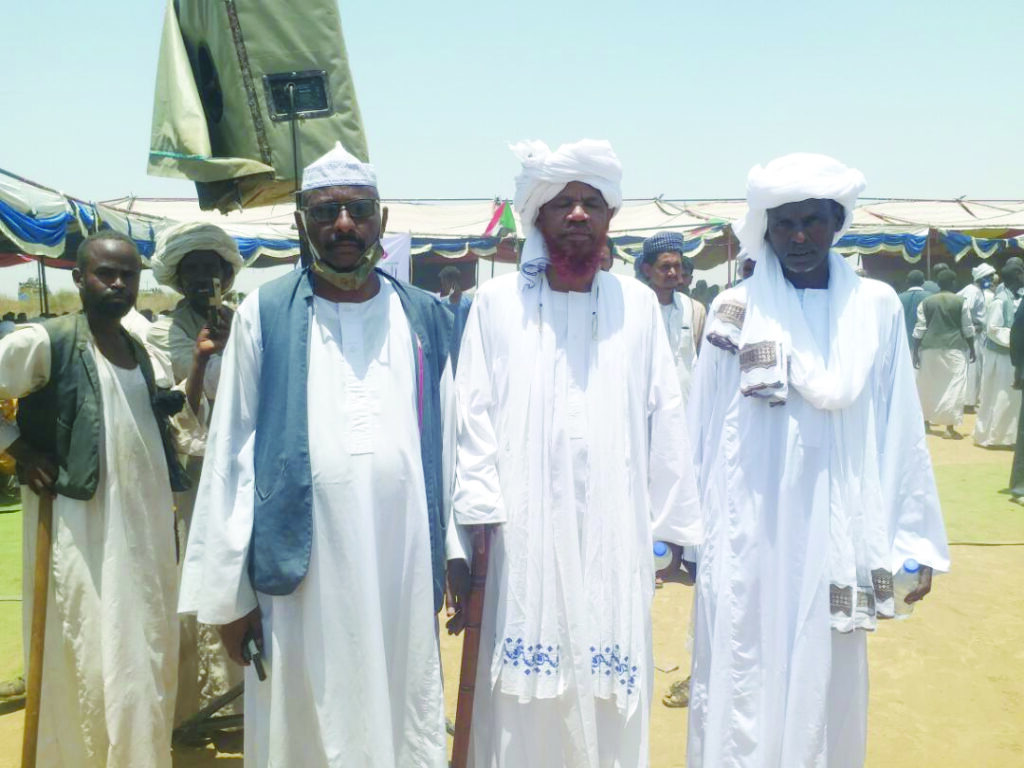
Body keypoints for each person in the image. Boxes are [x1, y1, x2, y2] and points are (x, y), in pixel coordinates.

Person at [177, 142, 469, 767]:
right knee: (304, 722)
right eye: (324, 211)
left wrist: (456, 553)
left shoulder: (424, 317)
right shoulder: (263, 315)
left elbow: (451, 444)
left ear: (381, 221)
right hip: (299, 577)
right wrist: (230, 597)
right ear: (300, 222)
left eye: (358, 210)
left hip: (401, 562)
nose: (343, 225)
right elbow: (231, 454)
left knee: (399, 704)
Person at [687, 153, 949, 768]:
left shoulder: (877, 306)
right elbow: (703, 422)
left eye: (812, 221)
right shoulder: (735, 308)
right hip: (753, 522)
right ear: (767, 229)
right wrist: (690, 531)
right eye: (785, 224)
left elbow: (899, 423)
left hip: (839, 522)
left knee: (828, 675)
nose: (799, 237)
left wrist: (912, 536)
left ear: (836, 224)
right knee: (745, 657)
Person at [453, 139, 702, 767]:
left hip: (615, 532)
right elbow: (471, 416)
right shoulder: (495, 305)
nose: (577, 213)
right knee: (521, 702)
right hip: (519, 535)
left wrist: (670, 530)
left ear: (609, 218)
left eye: (591, 202)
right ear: (537, 216)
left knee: (607, 682)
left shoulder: (637, 306)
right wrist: (475, 522)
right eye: (562, 202)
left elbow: (667, 416)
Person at [0, 230, 208, 767]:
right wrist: (21, 450)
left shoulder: (140, 352)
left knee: (144, 653)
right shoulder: (46, 342)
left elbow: (176, 426)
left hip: (144, 531)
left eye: (127, 275)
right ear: (79, 278)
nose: (117, 284)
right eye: (105, 273)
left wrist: (202, 361)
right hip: (77, 530)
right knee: (87, 654)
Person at [148, 221, 245, 727]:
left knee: (243, 571)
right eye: (194, 269)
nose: (205, 278)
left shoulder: (246, 322)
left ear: (226, 275)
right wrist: (202, 358)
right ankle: (200, 704)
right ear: (180, 279)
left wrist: (233, 345)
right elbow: (177, 415)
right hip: (199, 471)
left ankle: (245, 700)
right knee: (199, 570)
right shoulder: (161, 333)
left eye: (213, 268)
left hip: (246, 466)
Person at [640, 232, 706, 405]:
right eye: (665, 267)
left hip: (686, 405)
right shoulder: (636, 308)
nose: (672, 272)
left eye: (677, 266)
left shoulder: (691, 308)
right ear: (647, 270)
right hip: (648, 404)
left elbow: (696, 361)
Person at [912, 269, 976, 438]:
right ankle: (949, 428)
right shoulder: (961, 301)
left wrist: (916, 351)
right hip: (955, 348)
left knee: (927, 385)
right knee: (954, 385)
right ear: (953, 283)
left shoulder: (926, 302)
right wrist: (972, 348)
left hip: (929, 348)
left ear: (938, 284)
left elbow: (920, 328)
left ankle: (925, 423)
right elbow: (967, 328)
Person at [974, 258, 1024, 447]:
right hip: (1001, 357)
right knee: (1001, 396)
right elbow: (993, 329)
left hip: (1012, 355)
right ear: (1017, 275)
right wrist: (1016, 340)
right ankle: (995, 437)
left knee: (1012, 399)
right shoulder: (1000, 300)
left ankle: (1009, 437)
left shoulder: (1017, 296)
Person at [958, 263, 996, 411]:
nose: (991, 281)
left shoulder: (977, 290)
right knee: (973, 369)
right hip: (973, 335)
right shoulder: (973, 291)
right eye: (989, 278)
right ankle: (968, 402)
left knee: (976, 368)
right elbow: (965, 310)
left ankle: (971, 400)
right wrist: (974, 326)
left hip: (977, 335)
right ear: (981, 277)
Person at [438, 264, 473, 372]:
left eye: (444, 283)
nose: (443, 287)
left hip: (465, 356)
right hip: (448, 359)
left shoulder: (469, 304)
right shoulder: (442, 305)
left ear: (453, 282)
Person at [897, 269, 927, 344]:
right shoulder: (931, 297)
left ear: (907, 281)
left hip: (904, 341)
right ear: (923, 282)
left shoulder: (898, 298)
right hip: (925, 342)